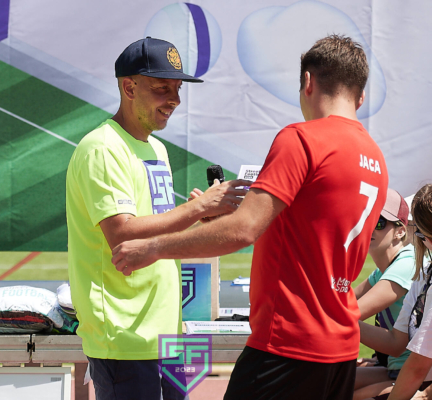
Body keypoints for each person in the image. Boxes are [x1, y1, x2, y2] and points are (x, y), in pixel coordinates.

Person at [112, 35, 389, 400]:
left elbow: (243, 230)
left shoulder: (303, 139)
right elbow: (308, 229)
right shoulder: (375, 157)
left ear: (307, 82)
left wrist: (153, 248)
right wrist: (220, 221)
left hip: (287, 343)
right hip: (341, 349)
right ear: (361, 96)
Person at [66, 37, 249, 400]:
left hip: (166, 333)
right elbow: (122, 234)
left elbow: (153, 230)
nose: (175, 99)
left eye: (178, 89)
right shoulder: (102, 148)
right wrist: (196, 208)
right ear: (129, 87)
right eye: (162, 88)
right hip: (125, 336)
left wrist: (198, 218)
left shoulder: (156, 148)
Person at [358, 183, 432, 400]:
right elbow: (396, 342)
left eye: (378, 222)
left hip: (414, 373)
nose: (369, 227)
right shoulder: (418, 272)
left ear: (402, 231)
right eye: (364, 219)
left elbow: (348, 312)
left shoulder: (408, 265)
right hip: (400, 368)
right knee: (330, 381)